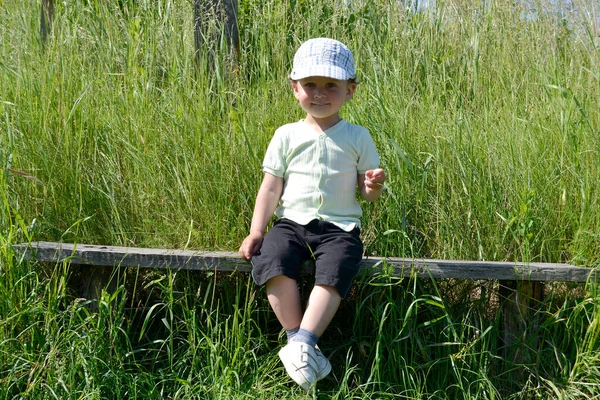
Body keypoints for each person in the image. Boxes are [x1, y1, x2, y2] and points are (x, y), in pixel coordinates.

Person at [239, 37, 386, 390]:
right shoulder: (286, 135)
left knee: (336, 267)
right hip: (291, 222)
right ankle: (297, 340)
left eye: (330, 85)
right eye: (310, 85)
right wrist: (257, 230)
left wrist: (374, 185)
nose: (319, 93)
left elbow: (367, 195)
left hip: (340, 225)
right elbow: (271, 187)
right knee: (271, 258)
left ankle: (304, 340)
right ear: (294, 88)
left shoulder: (357, 136)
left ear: (350, 91)